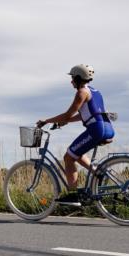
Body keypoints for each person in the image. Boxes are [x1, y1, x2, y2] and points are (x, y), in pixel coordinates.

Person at [37, 64, 114, 202]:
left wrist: (46, 121)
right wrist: (65, 122)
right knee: (76, 154)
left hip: (96, 129)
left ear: (78, 78)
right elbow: (85, 115)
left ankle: (73, 195)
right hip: (106, 127)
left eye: (73, 78)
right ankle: (98, 173)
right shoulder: (95, 91)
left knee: (68, 157)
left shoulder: (82, 93)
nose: (71, 81)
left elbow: (67, 114)